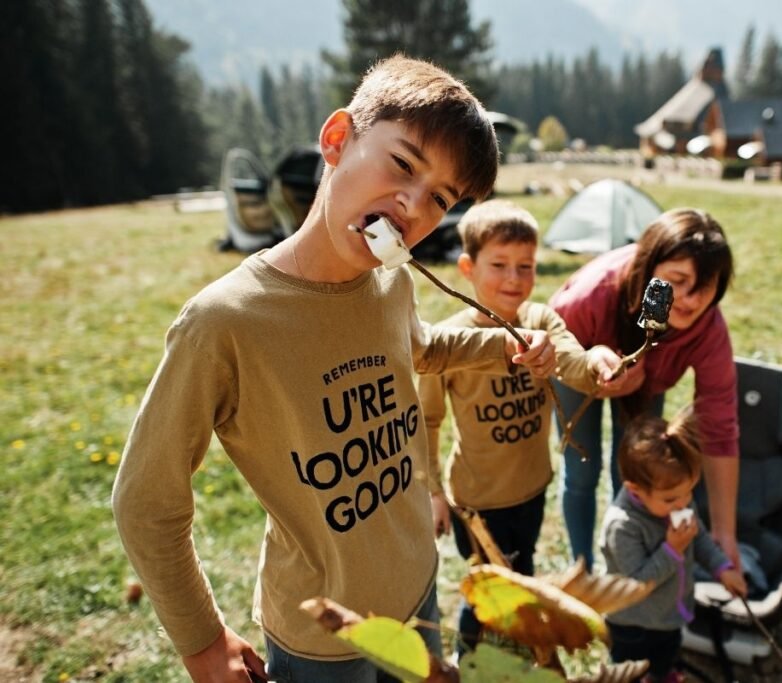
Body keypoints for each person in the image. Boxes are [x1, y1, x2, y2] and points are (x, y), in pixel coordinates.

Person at [111, 55, 561, 683]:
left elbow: (421, 350)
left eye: (439, 198)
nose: (411, 204)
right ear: (336, 139)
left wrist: (506, 346)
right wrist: (202, 639)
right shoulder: (223, 322)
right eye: (402, 164)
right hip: (322, 638)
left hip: (417, 590)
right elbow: (145, 503)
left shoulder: (392, 284)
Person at [419, 199, 622, 656]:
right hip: (477, 500)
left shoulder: (541, 319)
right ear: (468, 267)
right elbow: (426, 420)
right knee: (487, 589)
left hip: (531, 488)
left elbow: (571, 357)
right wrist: (432, 490)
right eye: (500, 265)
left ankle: (520, 649)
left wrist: (596, 360)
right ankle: (468, 657)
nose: (514, 279)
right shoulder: (446, 342)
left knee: (524, 571)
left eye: (526, 266)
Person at [549, 208, 740, 571]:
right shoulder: (590, 295)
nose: (690, 299)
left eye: (706, 285)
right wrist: (590, 365)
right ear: (647, 267)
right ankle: (581, 567)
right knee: (582, 469)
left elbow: (720, 428)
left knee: (640, 474)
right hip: (577, 365)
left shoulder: (708, 329)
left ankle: (625, 562)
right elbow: (551, 349)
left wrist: (725, 533)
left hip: (647, 386)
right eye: (677, 280)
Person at [600, 414, 747, 683]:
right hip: (632, 626)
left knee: (665, 660)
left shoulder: (677, 503)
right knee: (629, 675)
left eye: (689, 492)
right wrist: (672, 549)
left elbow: (699, 536)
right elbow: (637, 583)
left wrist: (721, 567)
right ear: (635, 489)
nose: (682, 504)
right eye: (670, 499)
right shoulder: (623, 526)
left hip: (670, 615)